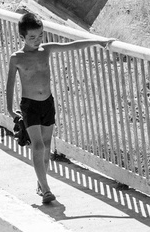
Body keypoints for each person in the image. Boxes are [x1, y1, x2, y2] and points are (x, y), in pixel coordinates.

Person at [6, 11, 113, 204]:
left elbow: (72, 46)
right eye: (32, 37)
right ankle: (46, 189)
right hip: (29, 106)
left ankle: (41, 182)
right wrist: (9, 109)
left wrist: (97, 41)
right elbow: (10, 84)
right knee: (37, 146)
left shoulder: (45, 50)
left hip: (47, 103)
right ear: (22, 37)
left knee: (46, 147)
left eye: (40, 36)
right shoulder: (17, 58)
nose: (37, 40)